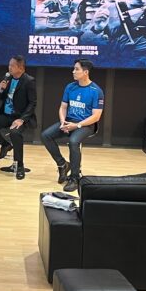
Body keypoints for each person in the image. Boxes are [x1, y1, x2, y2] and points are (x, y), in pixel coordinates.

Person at [40, 59, 104, 192]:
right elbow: (63, 107)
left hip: (86, 125)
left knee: (73, 141)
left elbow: (96, 116)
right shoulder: (70, 87)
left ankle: (74, 178)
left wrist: (77, 125)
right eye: (74, 69)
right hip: (69, 121)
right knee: (46, 135)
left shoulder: (96, 91)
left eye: (76, 69)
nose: (73, 71)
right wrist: (63, 121)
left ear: (85, 72)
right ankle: (62, 164)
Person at [0, 55, 37, 180]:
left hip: (20, 117)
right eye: (9, 65)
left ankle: (20, 166)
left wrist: (22, 119)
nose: (9, 68)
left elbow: (32, 103)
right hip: (6, 114)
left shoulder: (29, 81)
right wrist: (1, 90)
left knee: (15, 133)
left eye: (12, 66)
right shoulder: (8, 79)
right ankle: (5, 145)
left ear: (20, 68)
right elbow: (0, 98)